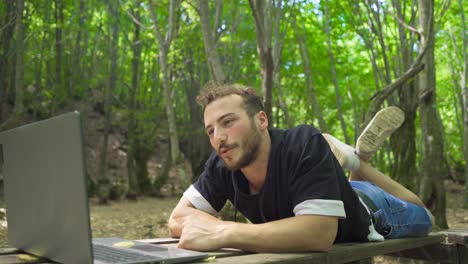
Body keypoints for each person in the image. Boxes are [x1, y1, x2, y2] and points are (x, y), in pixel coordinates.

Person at [167, 82, 433, 253]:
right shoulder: (222, 161)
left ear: (261, 120)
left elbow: (319, 233)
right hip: (327, 191)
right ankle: (351, 162)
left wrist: (223, 231)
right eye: (210, 130)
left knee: (425, 216)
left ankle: (356, 161)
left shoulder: (301, 143)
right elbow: (177, 219)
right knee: (342, 189)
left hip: (371, 209)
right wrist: (209, 227)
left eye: (227, 122)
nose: (218, 138)